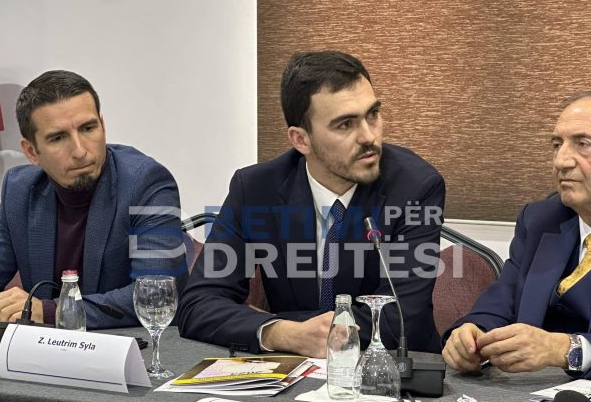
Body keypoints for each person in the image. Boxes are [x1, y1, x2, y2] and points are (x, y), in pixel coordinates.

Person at [178, 51, 445, 357]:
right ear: (301, 140)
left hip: (391, 369)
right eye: (345, 124)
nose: (369, 136)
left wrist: (280, 321)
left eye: (372, 114)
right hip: (293, 370)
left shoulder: (415, 187)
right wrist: (280, 333)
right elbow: (198, 305)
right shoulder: (256, 189)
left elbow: (402, 320)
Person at [442, 89, 591, 378]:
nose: (561, 161)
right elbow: (496, 309)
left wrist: (566, 348)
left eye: (583, 144)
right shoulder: (541, 220)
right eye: (557, 145)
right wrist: (470, 335)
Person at [0, 70, 186, 329]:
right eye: (58, 138)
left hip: (132, 345)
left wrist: (52, 311)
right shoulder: (20, 189)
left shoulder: (146, 183)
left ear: (103, 126)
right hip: (46, 348)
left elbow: (157, 295)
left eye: (88, 128)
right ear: (31, 151)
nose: (80, 151)